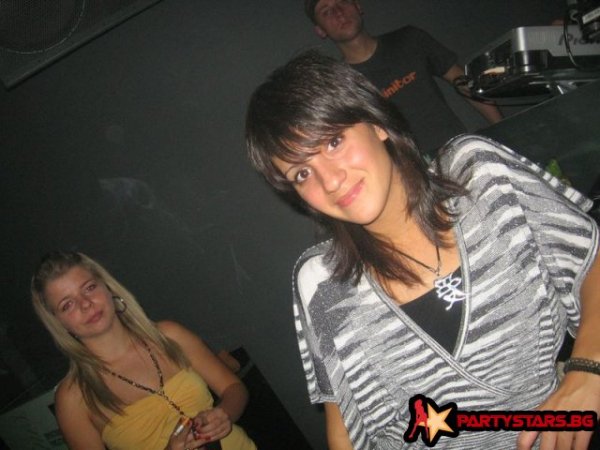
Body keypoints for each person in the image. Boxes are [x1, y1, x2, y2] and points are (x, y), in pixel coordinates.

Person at [245, 50, 600, 449]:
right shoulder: (321, 281)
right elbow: (344, 425)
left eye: (333, 141)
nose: (329, 181)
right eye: (302, 173)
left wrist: (588, 368)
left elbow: (590, 259)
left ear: (376, 122)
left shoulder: (478, 176)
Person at [31, 251, 257, 450]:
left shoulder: (168, 335)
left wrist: (224, 415)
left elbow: (234, 388)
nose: (86, 304)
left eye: (89, 288)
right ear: (59, 323)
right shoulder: (73, 397)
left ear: (107, 287)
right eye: (67, 304)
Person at [303, 0, 503, 157]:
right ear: (321, 30)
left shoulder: (409, 39)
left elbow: (463, 82)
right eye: (326, 11)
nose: (338, 12)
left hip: (461, 152)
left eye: (342, 2)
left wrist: (502, 131)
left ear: (357, 5)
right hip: (415, 181)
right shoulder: (340, 87)